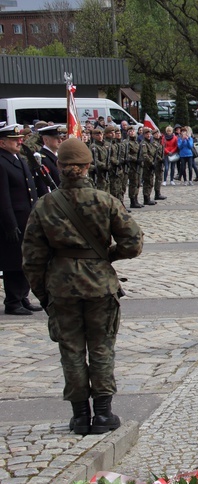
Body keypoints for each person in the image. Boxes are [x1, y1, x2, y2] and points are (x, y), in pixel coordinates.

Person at [21, 138, 143, 435]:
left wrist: (43, 293)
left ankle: (79, 417)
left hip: (61, 288)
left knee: (71, 350)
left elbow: (32, 257)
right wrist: (106, 256)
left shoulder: (44, 205)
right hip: (100, 286)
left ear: (60, 167)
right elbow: (133, 242)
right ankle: (103, 415)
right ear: (88, 166)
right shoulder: (105, 201)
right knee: (101, 348)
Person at [1, 124, 42, 315]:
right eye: (13, 140)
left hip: (26, 218)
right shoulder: (2, 162)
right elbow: (3, 197)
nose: (19, 142)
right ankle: (13, 301)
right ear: (2, 143)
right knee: (14, 261)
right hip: (13, 221)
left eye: (18, 139)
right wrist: (10, 223)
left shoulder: (18, 158)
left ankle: (23, 296)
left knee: (26, 259)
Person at [35, 124, 65, 194]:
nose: (60, 141)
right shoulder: (41, 158)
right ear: (46, 140)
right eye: (57, 138)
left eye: (61, 138)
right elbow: (43, 186)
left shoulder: (59, 156)